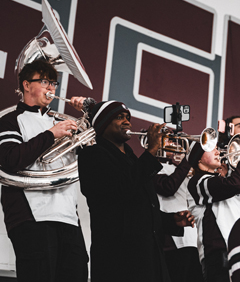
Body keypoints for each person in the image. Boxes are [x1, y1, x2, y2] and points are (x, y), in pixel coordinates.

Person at [78, 100, 195, 282]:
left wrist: (171, 220)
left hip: (149, 258)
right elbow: (120, 191)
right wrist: (151, 151)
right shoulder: (92, 155)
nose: (127, 122)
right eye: (119, 117)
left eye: (128, 117)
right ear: (103, 124)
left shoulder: (133, 158)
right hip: (119, 261)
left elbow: (141, 208)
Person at [0, 60, 89, 282]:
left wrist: (88, 115)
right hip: (31, 220)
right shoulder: (10, 120)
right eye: (45, 82)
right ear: (27, 85)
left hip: (69, 218)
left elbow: (91, 161)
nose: (51, 88)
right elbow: (10, 159)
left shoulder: (62, 122)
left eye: (54, 83)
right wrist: (51, 135)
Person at [187, 142, 240, 282]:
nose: (218, 153)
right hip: (217, 254)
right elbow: (232, 185)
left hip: (236, 249)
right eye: (212, 150)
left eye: (217, 149)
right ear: (198, 159)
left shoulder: (225, 181)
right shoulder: (196, 182)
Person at [154, 141, 204, 282]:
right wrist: (188, 159)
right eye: (167, 140)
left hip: (192, 237)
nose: (173, 144)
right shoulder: (157, 167)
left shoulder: (184, 169)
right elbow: (167, 187)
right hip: (174, 240)